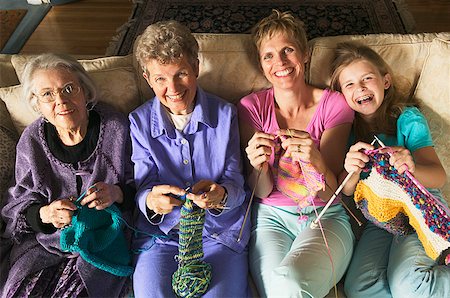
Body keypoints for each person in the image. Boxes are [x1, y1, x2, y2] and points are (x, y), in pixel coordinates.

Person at [237, 10, 355, 297]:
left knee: (288, 283)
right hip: (271, 218)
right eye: (269, 55)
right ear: (261, 64)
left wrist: (315, 158)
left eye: (288, 50)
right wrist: (258, 167)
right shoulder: (251, 107)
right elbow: (261, 192)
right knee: (281, 289)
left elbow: (330, 193)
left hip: (325, 215)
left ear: (304, 54)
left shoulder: (335, 105)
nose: (280, 62)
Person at [129, 20, 250, 298]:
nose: (172, 88)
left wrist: (220, 195)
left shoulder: (226, 115)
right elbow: (142, 185)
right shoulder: (138, 122)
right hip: (162, 238)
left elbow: (235, 182)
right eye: (160, 78)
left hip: (219, 235)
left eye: (181, 73)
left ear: (195, 67)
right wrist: (151, 201)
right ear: (147, 78)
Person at [0, 53, 135, 297]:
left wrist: (116, 193)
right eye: (47, 94)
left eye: (68, 88)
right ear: (37, 104)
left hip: (100, 241)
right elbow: (16, 206)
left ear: (84, 91)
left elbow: (144, 187)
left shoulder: (116, 127)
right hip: (45, 244)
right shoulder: (31, 141)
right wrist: (46, 213)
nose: (60, 100)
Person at [330, 42, 450, 297]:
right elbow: (345, 193)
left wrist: (412, 166)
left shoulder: (407, 119)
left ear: (385, 82)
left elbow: (439, 177)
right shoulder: (345, 130)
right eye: (349, 84)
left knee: (409, 285)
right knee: (360, 288)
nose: (360, 87)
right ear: (340, 93)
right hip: (381, 217)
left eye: (367, 78)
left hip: (420, 208)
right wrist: (350, 170)